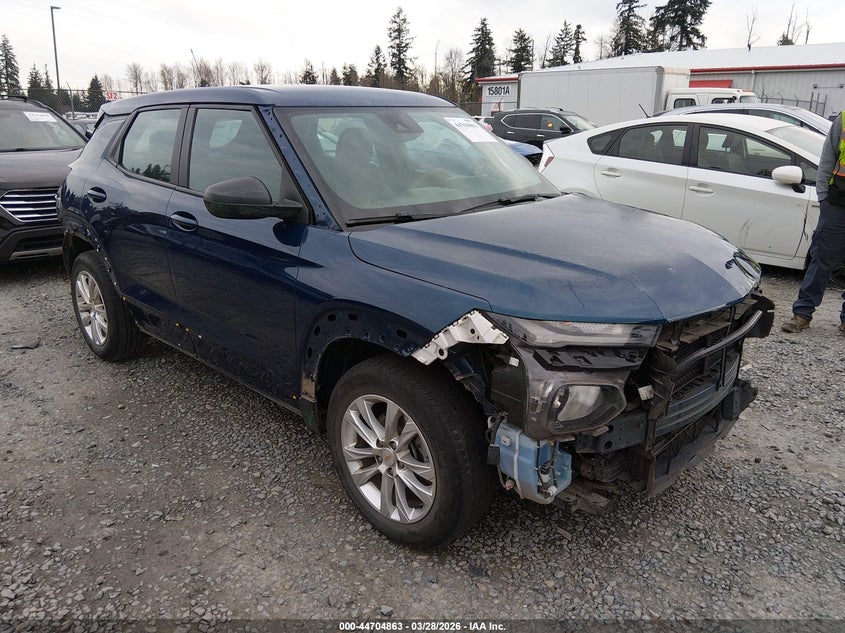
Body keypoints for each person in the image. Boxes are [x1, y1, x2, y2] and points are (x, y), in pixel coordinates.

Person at [782, 112, 845, 334]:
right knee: (821, 261)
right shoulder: (843, 121)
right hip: (837, 204)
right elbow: (827, 159)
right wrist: (823, 198)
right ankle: (802, 313)